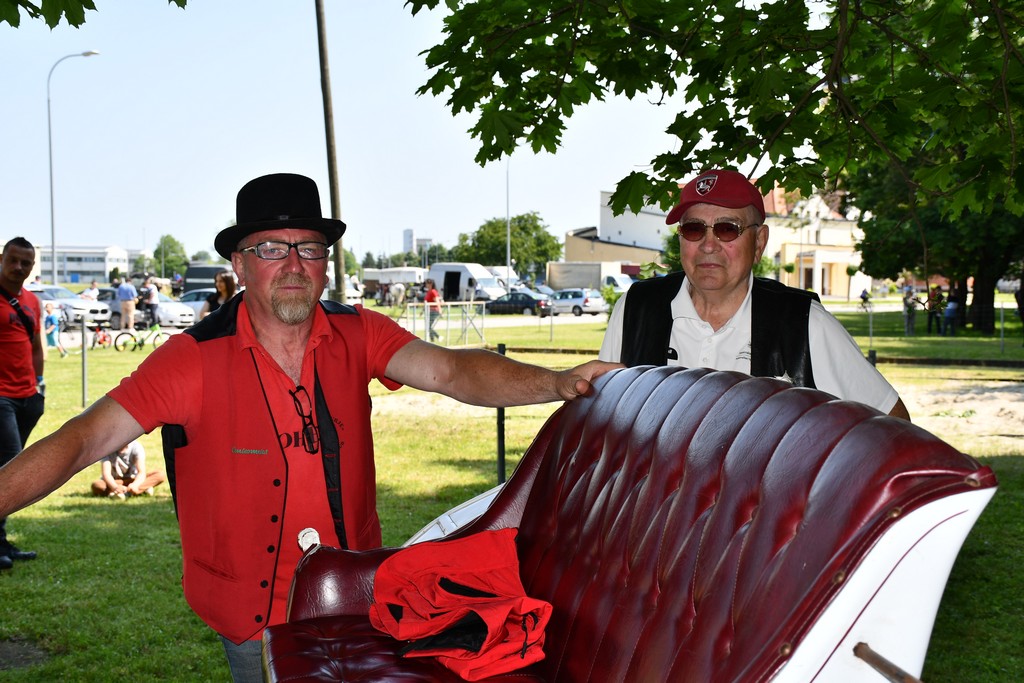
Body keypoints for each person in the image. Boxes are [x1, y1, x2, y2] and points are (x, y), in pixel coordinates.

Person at [0, 173, 618, 681]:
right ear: (239, 265)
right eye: (272, 248)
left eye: (310, 248)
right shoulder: (191, 358)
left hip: (353, 598)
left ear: (326, 263)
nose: (293, 264)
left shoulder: (361, 332)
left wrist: (554, 382)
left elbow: (451, 370)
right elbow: (83, 440)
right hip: (247, 612)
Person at [599, 168, 910, 420]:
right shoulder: (635, 309)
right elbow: (603, 417)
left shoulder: (802, 323)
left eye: (727, 229)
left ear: (759, 242)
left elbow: (891, 422)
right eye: (694, 229)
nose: (708, 245)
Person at [0, 237, 44, 571]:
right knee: (10, 468)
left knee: (6, 469)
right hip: (1, 397)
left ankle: (1, 542)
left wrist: (38, 388)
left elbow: (35, 346)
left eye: (25, 263)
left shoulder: (31, 301)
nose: (19, 268)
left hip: (28, 396)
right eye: (13, 260)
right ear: (2, 258)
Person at [90, 439, 166, 499]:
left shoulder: (136, 447)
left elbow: (141, 472)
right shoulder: (107, 449)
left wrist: (135, 485)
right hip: (115, 482)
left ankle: (121, 493)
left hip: (133, 480)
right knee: (97, 485)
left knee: (160, 475)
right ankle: (142, 490)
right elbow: (106, 474)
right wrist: (115, 487)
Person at [424, 277, 442, 341]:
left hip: (434, 311)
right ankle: (432, 339)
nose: (426, 285)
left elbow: (437, 301)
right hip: (429, 311)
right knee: (428, 326)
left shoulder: (433, 292)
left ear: (430, 284)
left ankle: (438, 337)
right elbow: (426, 302)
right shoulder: (428, 292)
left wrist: (440, 310)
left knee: (429, 326)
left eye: (427, 283)